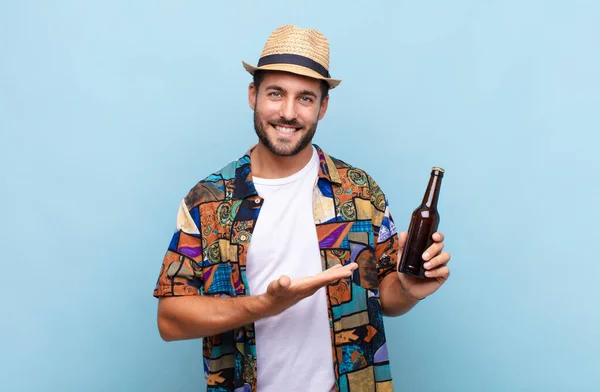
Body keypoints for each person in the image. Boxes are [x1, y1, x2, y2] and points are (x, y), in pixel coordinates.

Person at [153, 24, 451, 392]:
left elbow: (386, 297)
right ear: (253, 95)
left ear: (323, 106)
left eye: (305, 98)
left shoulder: (359, 192)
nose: (288, 113)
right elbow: (170, 319)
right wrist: (265, 304)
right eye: (276, 94)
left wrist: (408, 286)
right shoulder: (209, 200)